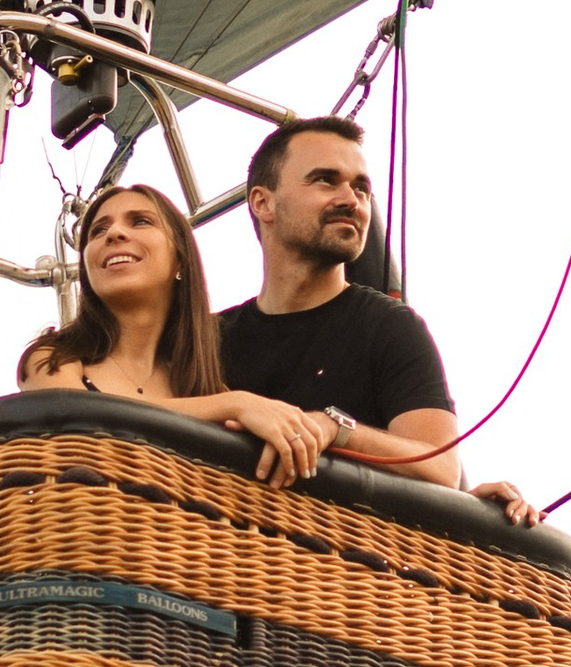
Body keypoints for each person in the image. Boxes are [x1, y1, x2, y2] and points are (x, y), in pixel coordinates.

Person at [217, 116, 536, 524]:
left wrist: (334, 428)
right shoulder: (212, 337)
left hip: (342, 567)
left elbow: (439, 467)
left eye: (361, 187)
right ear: (263, 203)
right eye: (325, 181)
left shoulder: (390, 326)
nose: (351, 199)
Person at [16, 180, 332, 488]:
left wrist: (329, 426)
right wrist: (234, 405)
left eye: (140, 221)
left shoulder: (203, 385)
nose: (114, 234)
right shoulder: (54, 357)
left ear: (180, 259)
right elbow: (77, 419)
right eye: (98, 230)